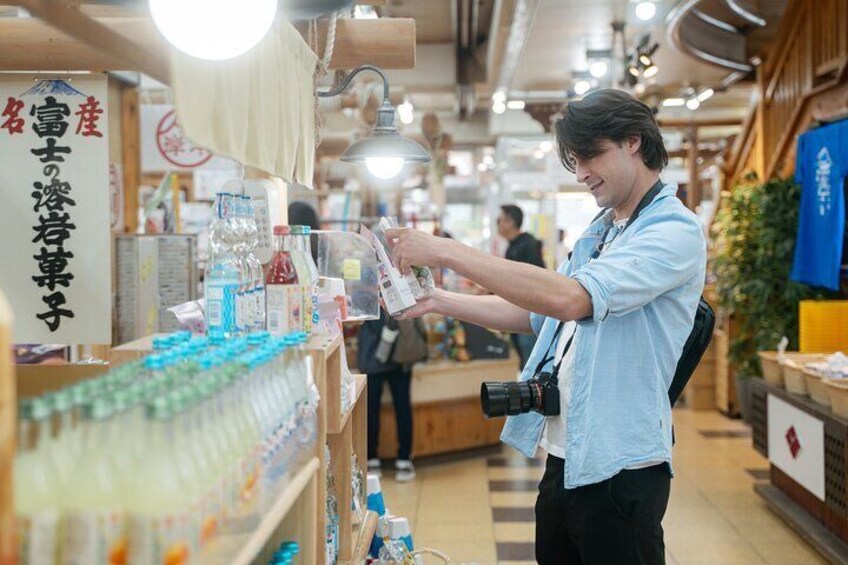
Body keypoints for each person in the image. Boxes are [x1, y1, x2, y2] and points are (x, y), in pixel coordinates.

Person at [385, 89, 706, 564]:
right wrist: (437, 300)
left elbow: (572, 299)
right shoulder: (602, 230)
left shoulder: (673, 231)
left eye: (589, 156)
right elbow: (541, 315)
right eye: (574, 161)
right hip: (567, 451)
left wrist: (447, 250)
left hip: (622, 464)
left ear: (633, 141)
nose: (581, 174)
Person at [357, 311, 416, 482]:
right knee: (400, 407)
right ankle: (402, 460)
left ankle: (374, 459)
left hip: (375, 353)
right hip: (399, 351)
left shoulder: (365, 286)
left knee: (373, 409)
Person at [497, 204, 545, 367]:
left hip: (530, 311)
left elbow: (536, 279)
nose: (498, 224)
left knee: (530, 359)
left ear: (510, 222)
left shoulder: (528, 244)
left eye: (500, 220)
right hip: (516, 309)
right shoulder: (512, 246)